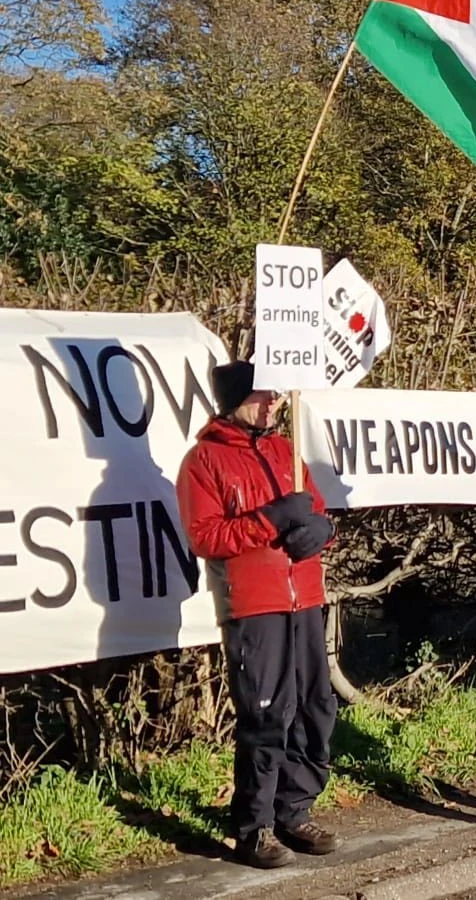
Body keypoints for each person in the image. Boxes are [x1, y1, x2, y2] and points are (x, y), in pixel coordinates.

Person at [176, 361, 340, 868]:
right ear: (235, 399)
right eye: (262, 395)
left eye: (275, 395)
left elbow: (316, 509)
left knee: (315, 708)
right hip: (254, 605)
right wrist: (269, 520)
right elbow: (206, 537)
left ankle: (295, 810)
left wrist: (323, 530)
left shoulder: (284, 451)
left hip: (305, 599)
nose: (273, 403)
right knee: (267, 714)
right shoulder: (204, 461)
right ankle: (254, 827)